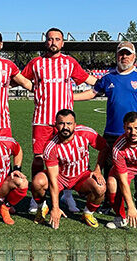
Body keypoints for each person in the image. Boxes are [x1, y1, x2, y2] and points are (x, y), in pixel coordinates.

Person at [74, 41, 137, 218]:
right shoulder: (108, 77)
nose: (124, 57)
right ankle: (109, 201)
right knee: (110, 169)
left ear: (134, 57)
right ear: (116, 56)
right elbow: (92, 93)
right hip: (112, 132)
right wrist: (70, 97)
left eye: (128, 54)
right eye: (121, 53)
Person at [21, 27, 97, 214]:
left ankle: (67, 194)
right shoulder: (36, 63)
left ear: (62, 43)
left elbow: (88, 79)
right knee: (39, 159)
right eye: (50, 39)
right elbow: (20, 79)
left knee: (67, 159)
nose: (53, 42)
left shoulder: (70, 62)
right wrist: (34, 88)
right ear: (45, 41)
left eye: (57, 39)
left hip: (65, 122)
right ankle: (37, 198)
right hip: (42, 119)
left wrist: (113, 83)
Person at [33, 109, 107, 229]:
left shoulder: (85, 133)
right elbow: (53, 179)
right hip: (60, 178)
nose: (65, 127)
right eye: (61, 123)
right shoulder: (51, 146)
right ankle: (42, 207)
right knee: (38, 182)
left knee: (100, 187)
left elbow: (104, 147)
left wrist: (98, 169)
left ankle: (88, 213)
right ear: (56, 125)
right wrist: (55, 208)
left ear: (75, 125)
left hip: (81, 176)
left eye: (69, 123)